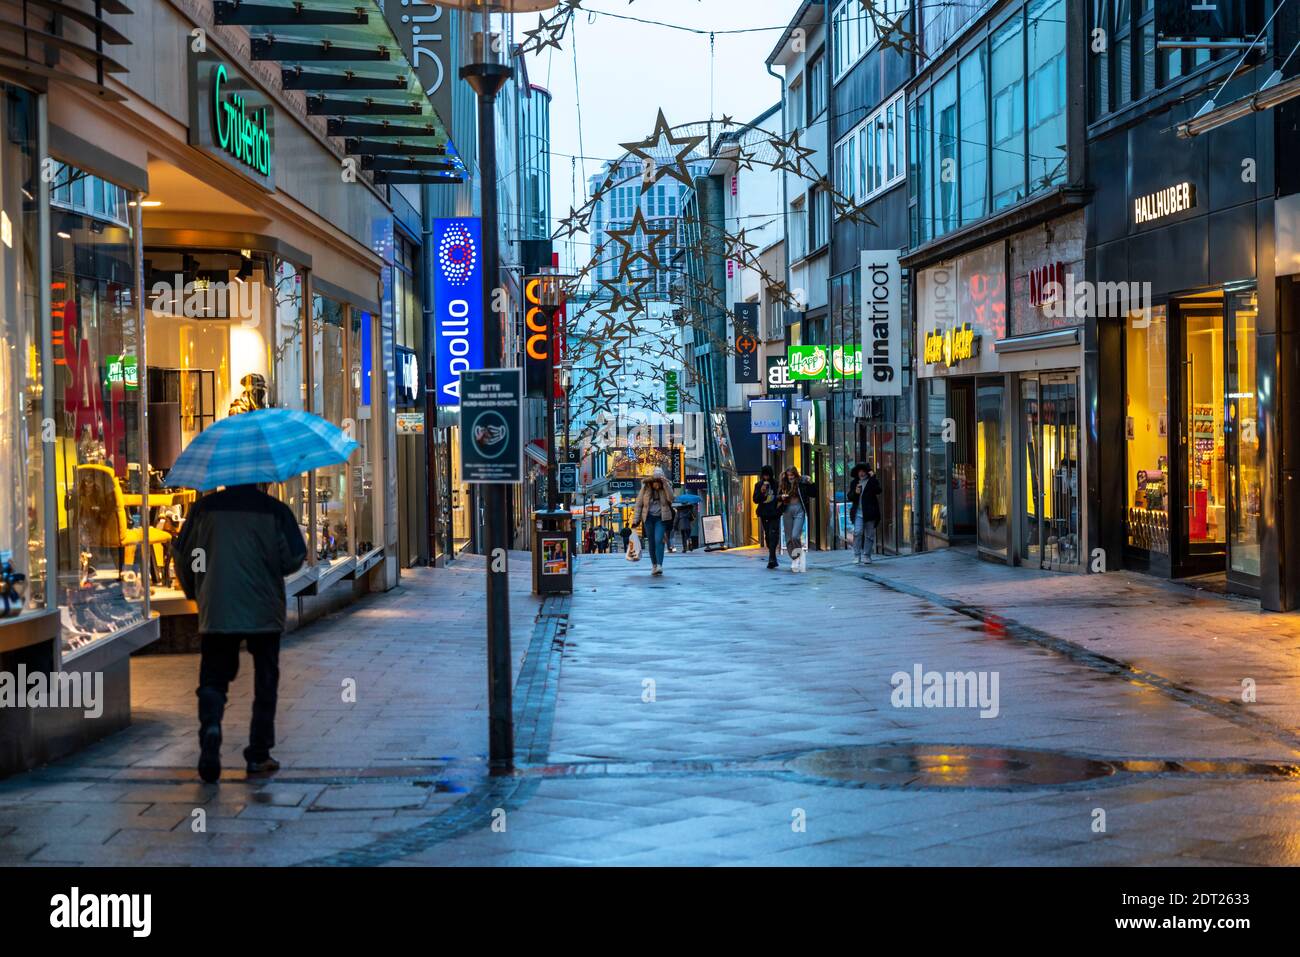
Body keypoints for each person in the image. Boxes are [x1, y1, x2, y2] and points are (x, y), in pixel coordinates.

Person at [175, 483, 307, 784]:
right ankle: (259, 754)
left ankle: (210, 728)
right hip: (264, 609)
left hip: (218, 605)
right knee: (265, 680)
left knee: (212, 677)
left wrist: (195, 590)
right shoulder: (275, 510)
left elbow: (183, 555)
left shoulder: (202, 510)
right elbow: (294, 558)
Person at [633, 466, 675, 575]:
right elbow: (638, 504)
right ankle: (654, 565)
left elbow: (671, 498)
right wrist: (635, 520)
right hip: (648, 518)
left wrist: (665, 484)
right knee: (651, 542)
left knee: (658, 540)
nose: (657, 483)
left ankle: (660, 565)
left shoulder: (666, 485)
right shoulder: (646, 487)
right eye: (655, 480)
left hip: (661, 518)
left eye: (659, 479)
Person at [779, 466, 816, 573]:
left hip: (799, 509)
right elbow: (777, 495)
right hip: (787, 510)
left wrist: (811, 482)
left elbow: (813, 493)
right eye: (788, 475)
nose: (790, 477)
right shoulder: (783, 484)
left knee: (795, 536)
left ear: (795, 475)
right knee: (789, 538)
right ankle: (795, 559)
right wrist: (781, 497)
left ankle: (798, 555)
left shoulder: (802, 483)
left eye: (792, 475)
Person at [849, 462, 883, 565]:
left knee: (869, 535)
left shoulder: (871, 481)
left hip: (870, 513)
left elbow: (878, 490)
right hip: (858, 513)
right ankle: (856, 555)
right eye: (860, 471)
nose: (861, 473)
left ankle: (867, 555)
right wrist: (855, 492)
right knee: (858, 533)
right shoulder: (855, 482)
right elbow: (850, 497)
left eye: (863, 471)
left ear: (867, 472)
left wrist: (873, 478)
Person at [753, 465, 783, 569]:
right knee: (767, 536)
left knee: (773, 534)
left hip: (774, 513)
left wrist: (779, 507)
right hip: (764, 513)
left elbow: (781, 497)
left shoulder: (777, 484)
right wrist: (762, 492)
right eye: (764, 475)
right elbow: (755, 500)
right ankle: (773, 557)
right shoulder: (758, 485)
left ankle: (771, 558)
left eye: (768, 475)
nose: (766, 478)